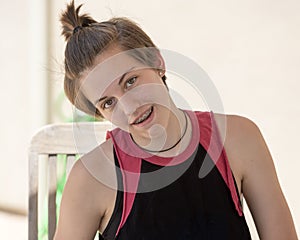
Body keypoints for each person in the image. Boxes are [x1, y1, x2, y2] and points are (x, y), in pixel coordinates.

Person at [54, 1, 298, 239]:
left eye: (131, 81)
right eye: (108, 103)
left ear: (157, 62)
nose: (130, 109)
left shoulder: (238, 138)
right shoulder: (89, 179)